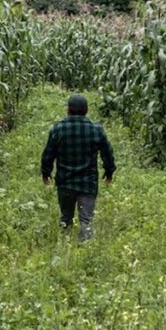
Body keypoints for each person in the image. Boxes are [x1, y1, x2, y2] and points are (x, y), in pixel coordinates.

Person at [40, 94, 116, 241]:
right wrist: (109, 171)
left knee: (66, 218)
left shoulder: (58, 129)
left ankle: (64, 247)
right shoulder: (96, 130)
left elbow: (48, 154)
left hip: (65, 182)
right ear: (86, 110)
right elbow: (107, 152)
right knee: (86, 221)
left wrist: (46, 172)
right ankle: (84, 250)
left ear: (68, 110)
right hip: (87, 183)